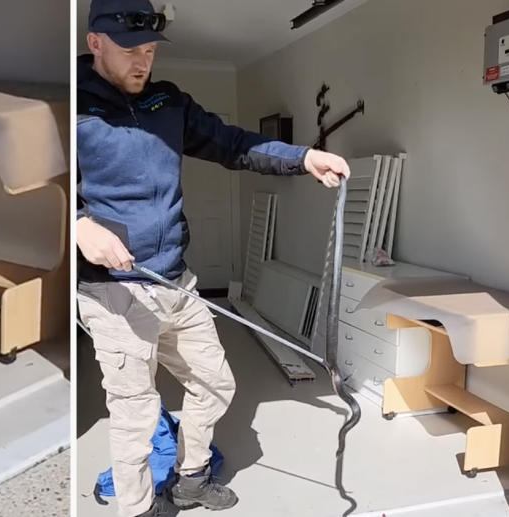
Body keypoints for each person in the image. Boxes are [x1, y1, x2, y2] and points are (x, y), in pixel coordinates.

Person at [76, 1, 351, 516]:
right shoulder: (68, 101)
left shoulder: (167, 102)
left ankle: (191, 479)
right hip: (112, 289)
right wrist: (76, 224)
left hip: (176, 282)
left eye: (151, 51)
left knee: (215, 384)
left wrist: (304, 157)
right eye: (130, 51)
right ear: (95, 43)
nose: (143, 62)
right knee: (135, 413)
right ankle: (136, 509)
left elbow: (232, 143)